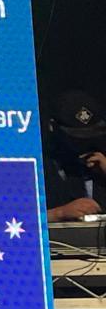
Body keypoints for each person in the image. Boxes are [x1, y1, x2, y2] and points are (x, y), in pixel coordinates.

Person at [43, 89, 106, 221]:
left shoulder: (100, 162)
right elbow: (8, 219)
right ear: (53, 127)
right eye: (75, 138)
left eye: (91, 135)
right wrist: (58, 213)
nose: (84, 144)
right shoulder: (37, 166)